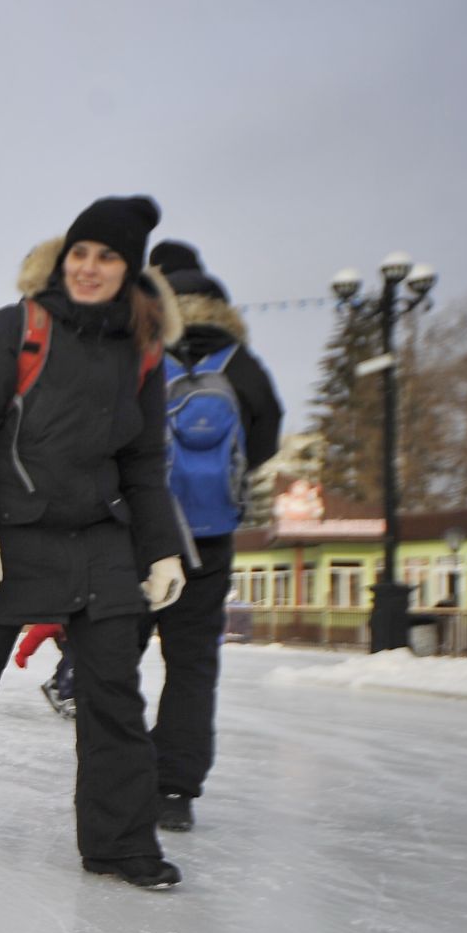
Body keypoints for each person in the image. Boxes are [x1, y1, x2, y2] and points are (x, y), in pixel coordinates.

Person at [0, 195, 189, 890]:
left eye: (106, 256)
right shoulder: (16, 328)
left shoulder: (142, 354)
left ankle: (122, 843)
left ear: (130, 270)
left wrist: (161, 548)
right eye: (80, 252)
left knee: (114, 693)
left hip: (100, 541)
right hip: (12, 537)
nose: (88, 266)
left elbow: (144, 463)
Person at [138, 242, 284, 833]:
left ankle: (116, 776)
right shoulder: (239, 361)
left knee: (116, 659)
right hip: (213, 535)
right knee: (193, 664)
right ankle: (176, 791)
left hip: (144, 531)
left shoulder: (145, 348)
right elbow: (267, 434)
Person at [14, 623, 74, 718]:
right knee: (73, 662)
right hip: (69, 640)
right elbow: (36, 635)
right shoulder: (55, 621)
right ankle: (65, 695)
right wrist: (22, 654)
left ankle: (57, 683)